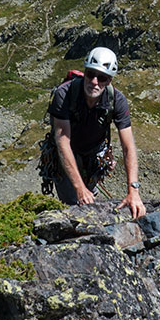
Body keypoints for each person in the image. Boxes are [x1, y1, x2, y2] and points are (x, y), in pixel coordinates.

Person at [46, 47, 145, 219]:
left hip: (94, 157)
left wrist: (133, 191)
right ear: (84, 72)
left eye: (102, 78)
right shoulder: (64, 94)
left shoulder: (117, 100)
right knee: (73, 204)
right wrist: (79, 188)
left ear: (109, 80)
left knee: (90, 197)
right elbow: (63, 142)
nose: (94, 81)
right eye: (90, 74)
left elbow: (128, 147)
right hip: (66, 156)